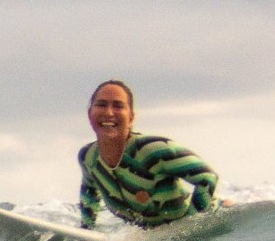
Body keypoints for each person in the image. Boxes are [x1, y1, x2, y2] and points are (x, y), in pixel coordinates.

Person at [78, 79, 218, 228]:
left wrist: (190, 225)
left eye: (118, 106)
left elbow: (207, 177)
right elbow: (89, 190)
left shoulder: (154, 151)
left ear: (131, 117)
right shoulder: (89, 158)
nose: (109, 112)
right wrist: (87, 229)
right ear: (89, 113)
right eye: (101, 104)